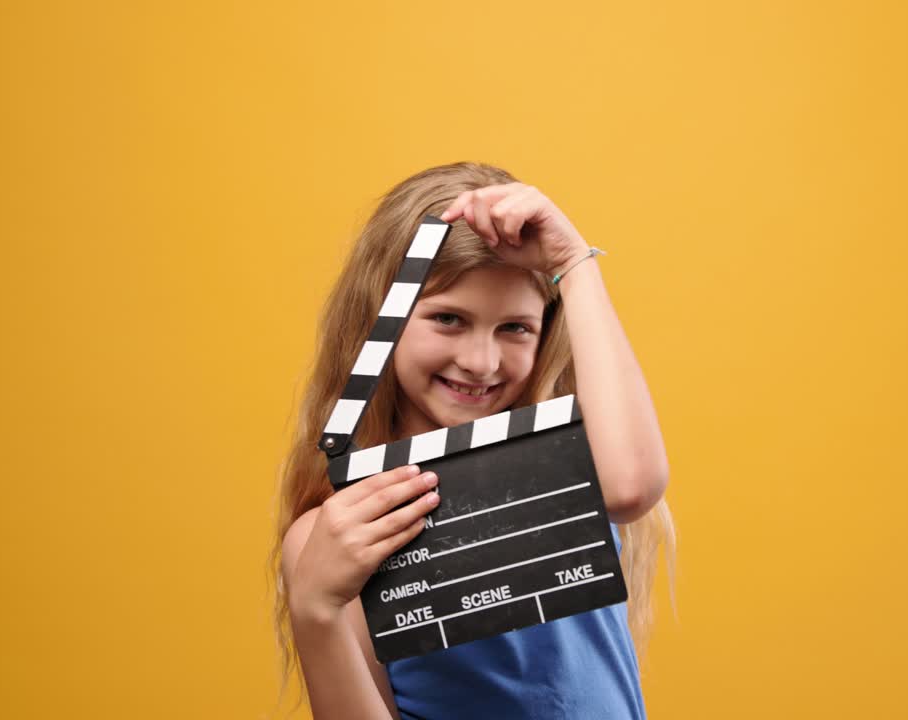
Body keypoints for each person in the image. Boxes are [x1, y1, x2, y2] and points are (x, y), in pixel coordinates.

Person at [268, 162, 676, 719]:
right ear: (379, 319)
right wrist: (316, 610)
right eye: (448, 319)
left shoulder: (570, 472)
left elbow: (632, 486)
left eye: (515, 327)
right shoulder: (344, 531)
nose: (481, 362)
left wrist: (574, 265)